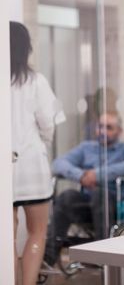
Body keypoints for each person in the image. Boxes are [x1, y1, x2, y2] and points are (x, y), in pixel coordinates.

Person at [44, 112, 124, 267]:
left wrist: (97, 175)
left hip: (116, 205)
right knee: (66, 196)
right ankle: (48, 258)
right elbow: (58, 163)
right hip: (88, 204)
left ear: (119, 131)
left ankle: (99, 254)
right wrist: (80, 176)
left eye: (109, 127)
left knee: (99, 193)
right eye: (100, 126)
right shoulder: (86, 148)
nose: (103, 131)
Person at [11, 21, 66, 285]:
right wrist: (43, 142)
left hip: (5, 172)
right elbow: (49, 124)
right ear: (26, 48)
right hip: (32, 167)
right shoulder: (36, 81)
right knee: (37, 232)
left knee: (5, 239)